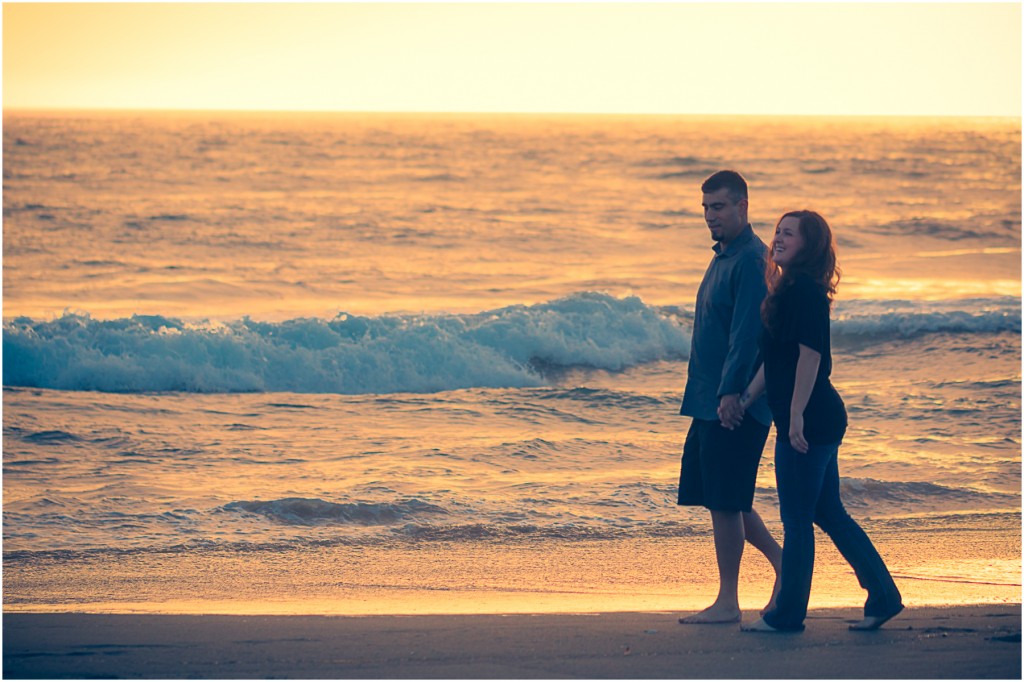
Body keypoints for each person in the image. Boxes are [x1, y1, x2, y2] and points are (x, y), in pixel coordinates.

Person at [736, 210, 903, 632]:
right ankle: (883, 596)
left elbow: (811, 356)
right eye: (777, 230)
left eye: (788, 233)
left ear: (808, 246)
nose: (777, 238)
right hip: (815, 418)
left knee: (796, 519)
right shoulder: (786, 290)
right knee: (827, 512)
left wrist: (794, 417)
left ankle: (787, 614)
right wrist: (745, 398)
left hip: (810, 420)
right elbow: (775, 359)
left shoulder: (805, 292)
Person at [677, 170, 782, 624]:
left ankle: (727, 602)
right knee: (729, 499)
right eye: (705, 208)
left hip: (733, 404)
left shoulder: (751, 260)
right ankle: (786, 566)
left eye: (718, 207)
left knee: (725, 501)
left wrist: (731, 395)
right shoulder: (723, 257)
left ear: (742, 206)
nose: (710, 216)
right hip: (710, 401)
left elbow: (746, 336)